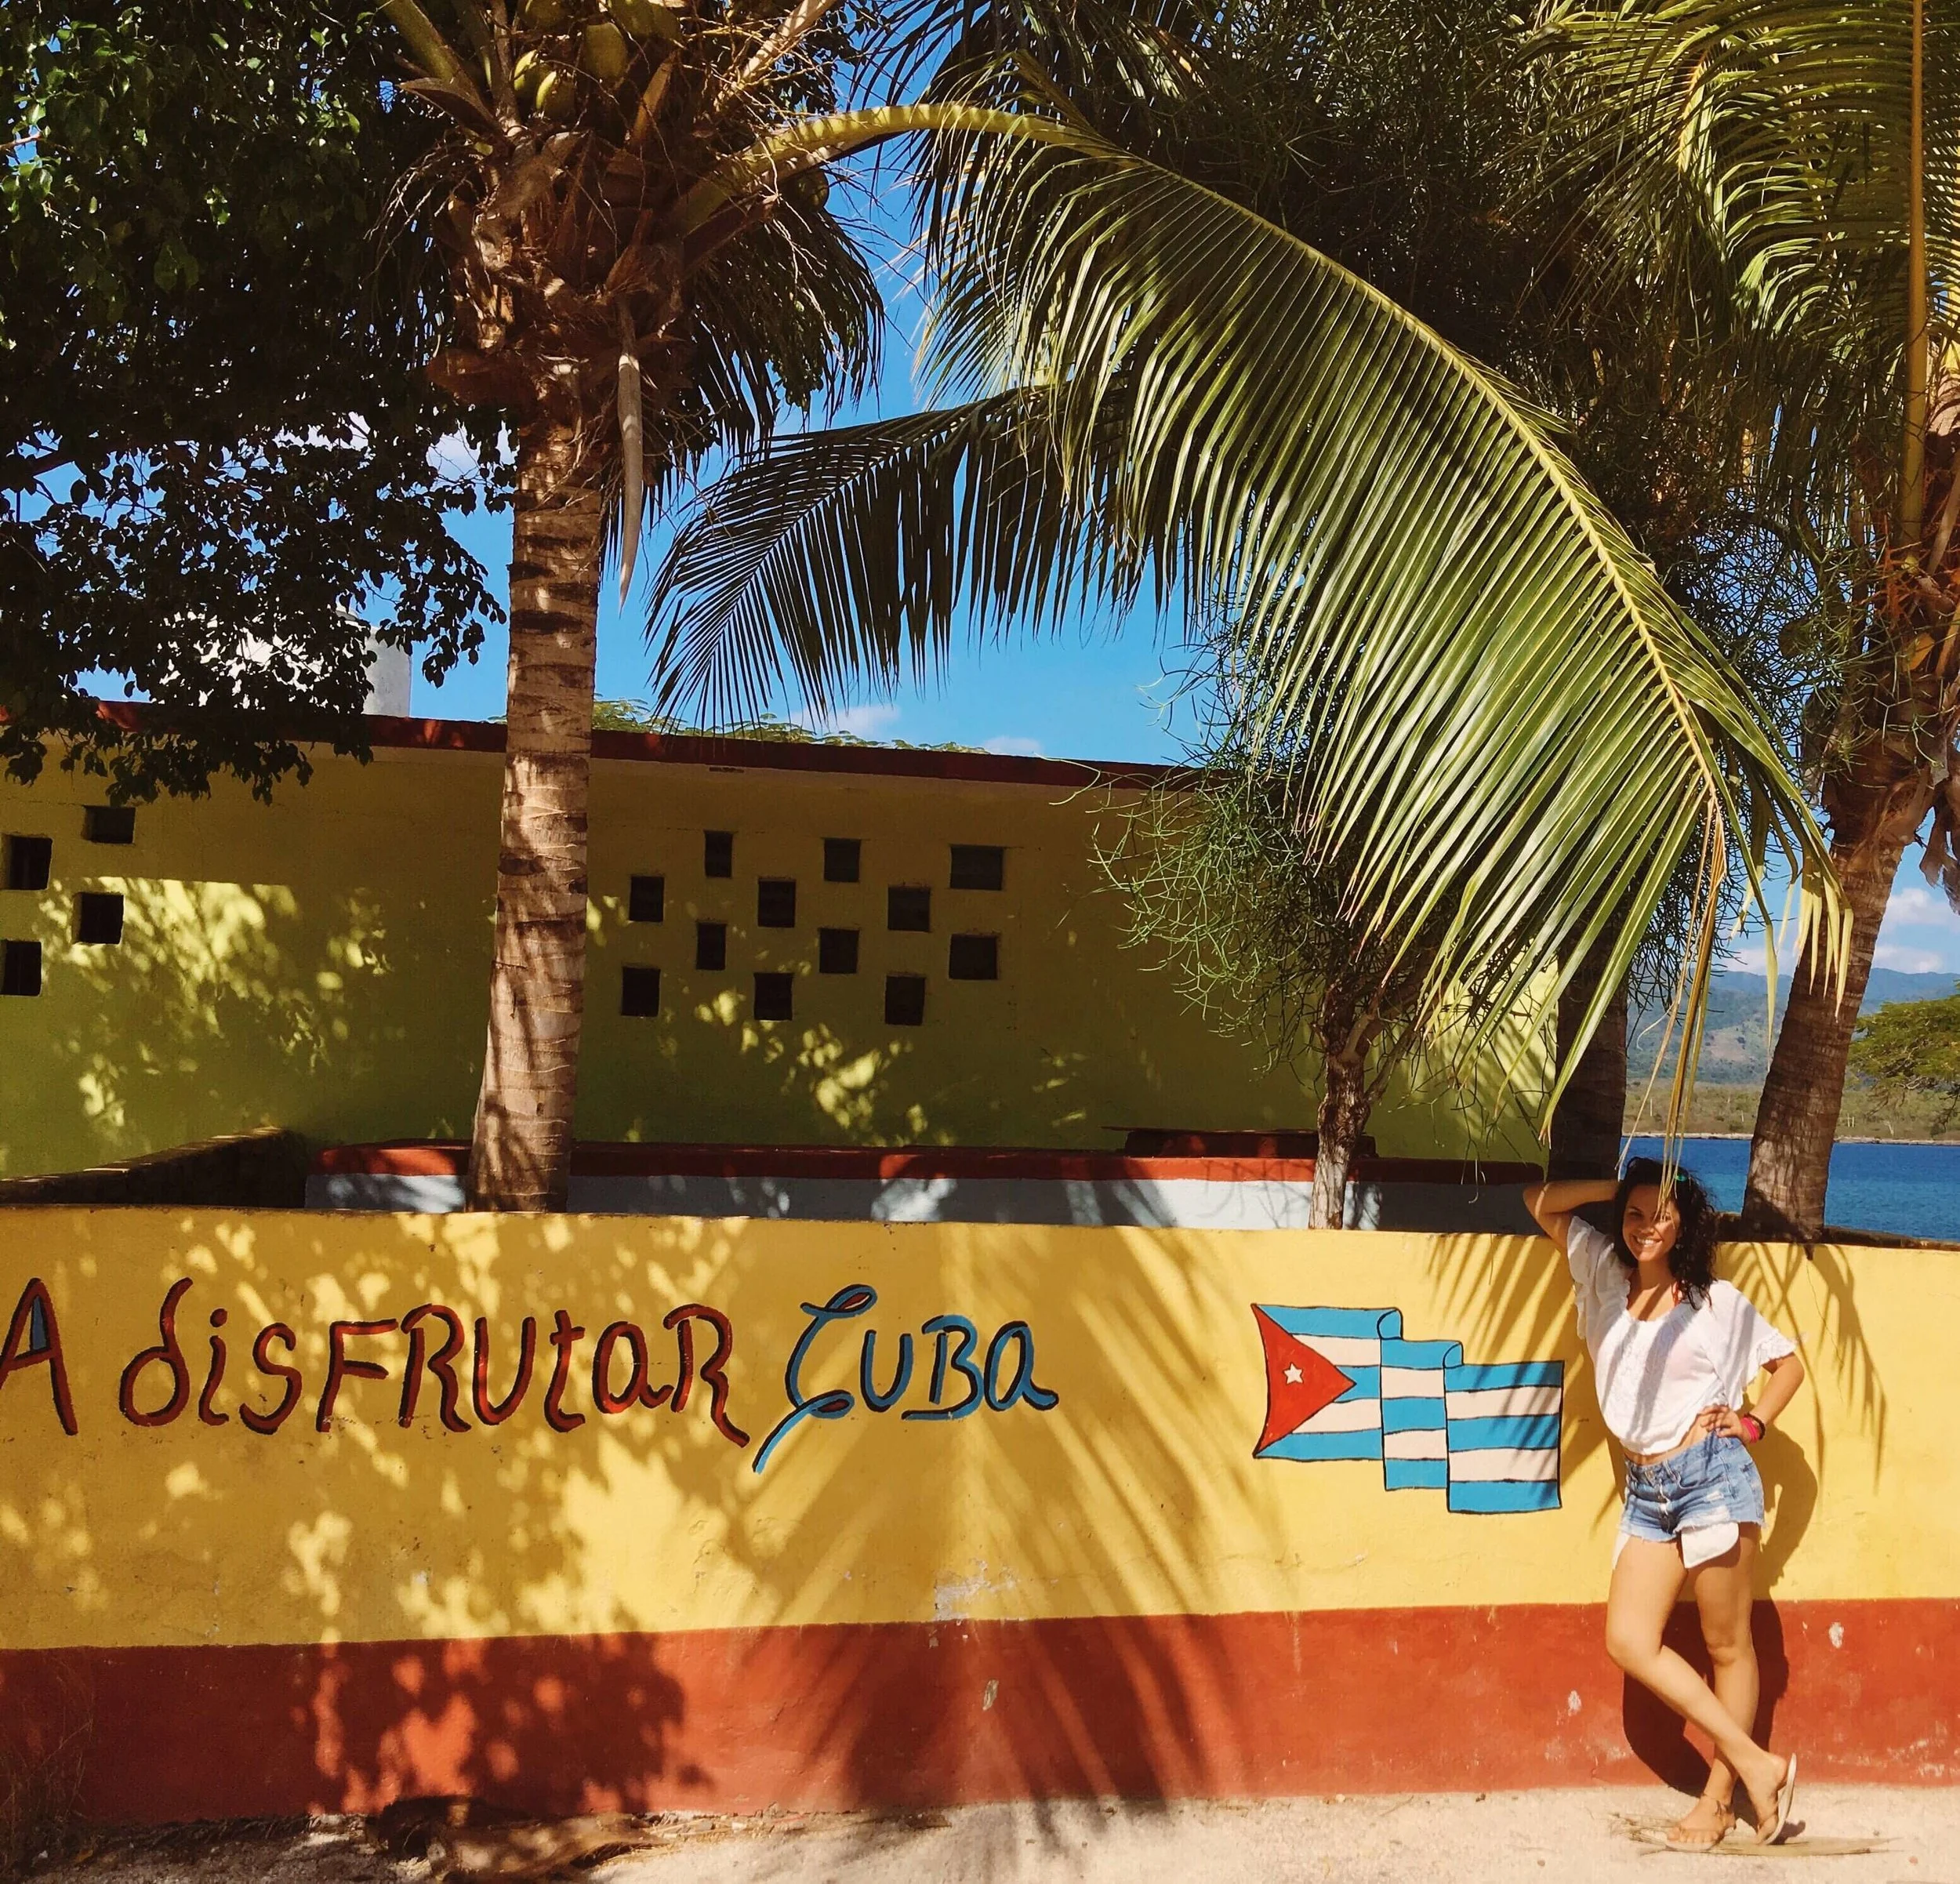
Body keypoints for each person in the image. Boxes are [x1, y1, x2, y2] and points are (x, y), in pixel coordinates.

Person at [1525, 1159, 1806, 1848]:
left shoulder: (1713, 1302)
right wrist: (1615, 1188)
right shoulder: (1602, 1273)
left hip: (1711, 1477)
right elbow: (1538, 1200)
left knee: (1726, 1644)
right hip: (1647, 1490)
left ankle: (1719, 1798)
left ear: (1685, 1223)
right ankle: (1758, 1765)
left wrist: (1752, 1423)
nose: (1646, 1226)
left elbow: (1789, 1365)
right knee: (1629, 1637)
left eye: (1661, 1213)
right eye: (1634, 1213)